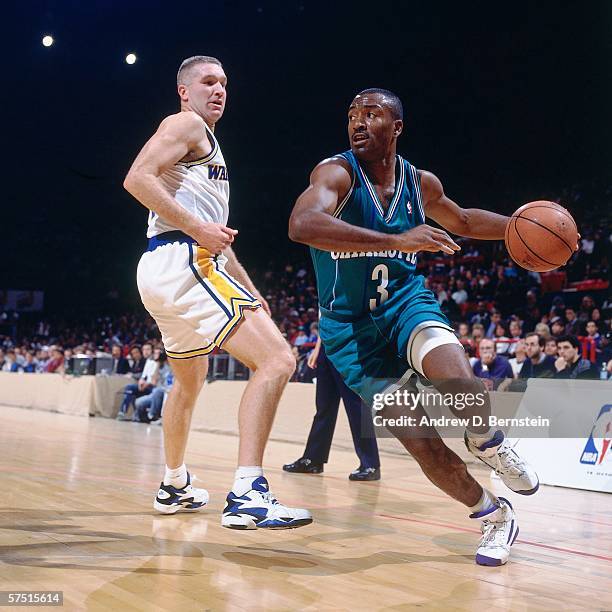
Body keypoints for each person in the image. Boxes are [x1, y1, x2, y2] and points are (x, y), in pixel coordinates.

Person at [289, 88, 545, 566]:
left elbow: (464, 220)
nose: (358, 123)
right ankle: (494, 516)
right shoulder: (336, 173)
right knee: (424, 445)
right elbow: (302, 224)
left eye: (372, 114)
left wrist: (522, 229)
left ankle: (489, 443)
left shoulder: (419, 182)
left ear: (397, 127)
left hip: (405, 303)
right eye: (352, 115)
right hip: (350, 331)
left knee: (458, 378)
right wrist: (395, 237)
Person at [124, 55, 311, 529]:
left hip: (162, 267)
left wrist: (251, 290)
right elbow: (136, 178)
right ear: (184, 90)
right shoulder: (186, 123)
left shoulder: (205, 146)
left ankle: (173, 482)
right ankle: (249, 494)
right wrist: (197, 229)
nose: (219, 89)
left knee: (188, 383)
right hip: (183, 260)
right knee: (277, 360)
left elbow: (217, 240)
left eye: (224, 82)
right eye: (208, 81)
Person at [283, 336, 381, 480]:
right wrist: (318, 349)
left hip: (349, 344)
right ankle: (313, 459)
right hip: (326, 346)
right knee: (324, 408)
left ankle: (371, 464)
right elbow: (324, 315)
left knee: (356, 407)